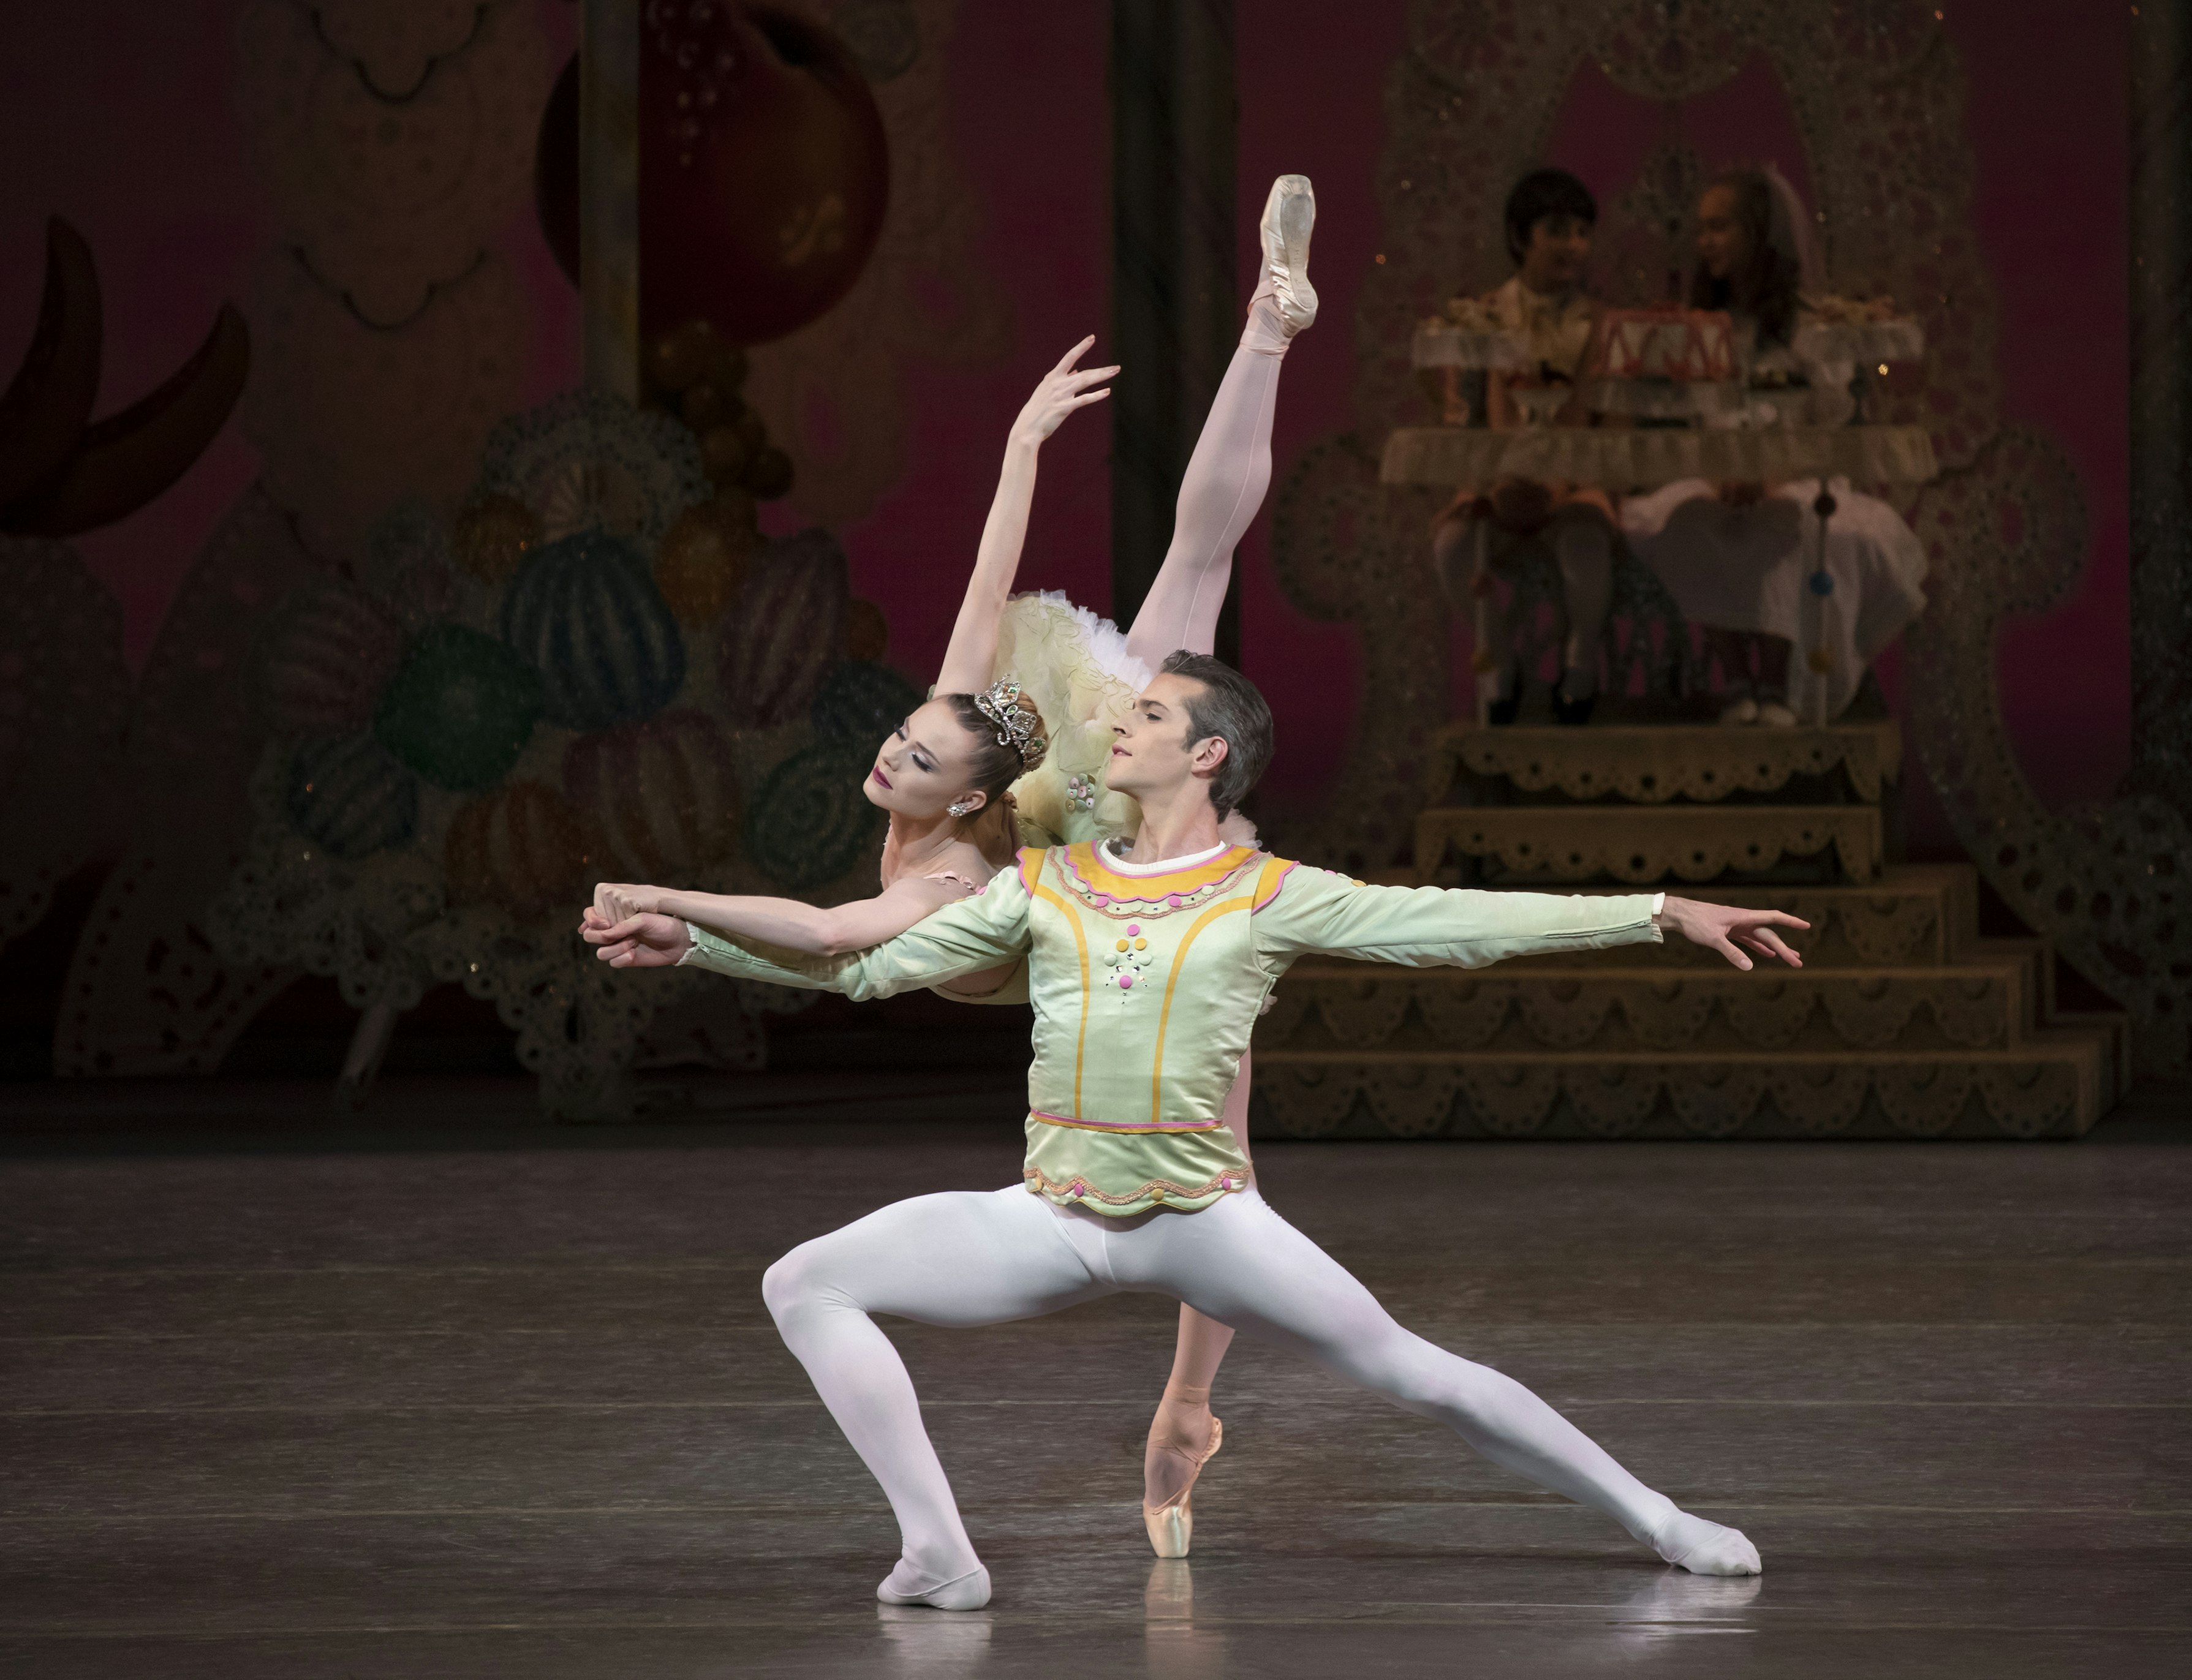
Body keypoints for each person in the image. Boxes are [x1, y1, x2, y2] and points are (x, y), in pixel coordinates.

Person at [583, 654, 1808, 1610]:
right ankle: (940, 1555)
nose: (1122, 724)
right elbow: (861, 967)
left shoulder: (1269, 894)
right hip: (1053, 1219)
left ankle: (1657, 1519)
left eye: (1152, 716)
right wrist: (697, 942)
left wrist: (1656, 911)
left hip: (1205, 1224)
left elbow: (1459, 919)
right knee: (807, 1282)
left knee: (1414, 1371)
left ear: (1207, 754)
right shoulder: (1045, 882)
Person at [584, 176, 1320, 1561]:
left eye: (914, 751)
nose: (888, 757)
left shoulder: (941, 878)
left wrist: (679, 905)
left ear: (973, 783)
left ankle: (1183, 1407)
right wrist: (1018, 448)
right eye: (895, 740)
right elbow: (832, 929)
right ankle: (1268, 336)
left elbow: (826, 932)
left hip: (1126, 894)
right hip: (1085, 869)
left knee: (1224, 1163)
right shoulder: (954, 808)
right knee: (1190, 576)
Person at [1623, 165, 1928, 726]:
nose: (1706, 242)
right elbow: (1701, 419)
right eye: (1701, 229)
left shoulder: (1811, 326)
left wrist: (1770, 476)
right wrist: (1726, 475)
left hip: (1799, 473)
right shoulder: (1706, 327)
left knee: (1791, 526)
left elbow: (1829, 423)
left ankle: (1779, 681)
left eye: (1721, 227)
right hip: (1723, 477)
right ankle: (1738, 676)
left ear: (1758, 233)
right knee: (1688, 521)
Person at [1429, 168, 1617, 727]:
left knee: (1586, 539)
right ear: (1521, 237)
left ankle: (1580, 667)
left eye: (1582, 233)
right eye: (1558, 230)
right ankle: (1500, 665)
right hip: (1499, 487)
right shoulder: (1482, 318)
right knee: (1454, 546)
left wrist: (1564, 485)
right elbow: (1461, 420)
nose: (1573, 246)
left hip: (1575, 486)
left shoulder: (1603, 325)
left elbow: (1613, 426)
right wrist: (1492, 487)